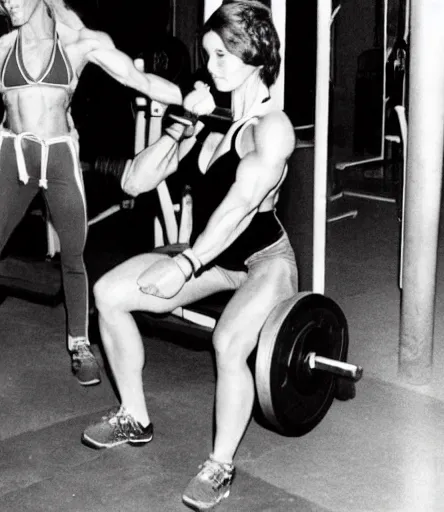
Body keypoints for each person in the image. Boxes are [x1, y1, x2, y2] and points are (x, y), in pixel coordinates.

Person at [0, 0, 183, 387]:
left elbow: (141, 81)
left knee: (74, 255)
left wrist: (195, 101)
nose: (9, 3)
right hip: (11, 156)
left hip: (58, 156)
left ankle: (79, 343)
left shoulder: (79, 44)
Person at [81, 2, 298, 510]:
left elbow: (240, 209)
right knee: (108, 294)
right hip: (210, 257)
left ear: (256, 57)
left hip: (264, 260)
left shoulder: (273, 129)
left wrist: (183, 264)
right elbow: (135, 180)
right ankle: (134, 416)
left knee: (227, 342)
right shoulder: (211, 121)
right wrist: (182, 124)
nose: (211, 66)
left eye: (222, 56)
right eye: (207, 55)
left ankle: (220, 464)